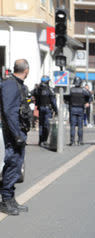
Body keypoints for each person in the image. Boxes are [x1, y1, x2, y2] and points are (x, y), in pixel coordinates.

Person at [0, 59, 31, 215]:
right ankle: (5, 200)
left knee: (16, 165)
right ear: (26, 70)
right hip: (14, 133)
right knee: (12, 164)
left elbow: (21, 106)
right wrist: (17, 135)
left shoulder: (19, 85)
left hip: (19, 131)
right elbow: (9, 112)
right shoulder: (11, 85)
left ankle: (11, 199)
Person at [31, 75, 58, 147]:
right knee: (46, 125)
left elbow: (31, 94)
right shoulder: (49, 89)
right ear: (47, 81)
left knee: (41, 125)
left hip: (40, 108)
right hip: (47, 109)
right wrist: (56, 110)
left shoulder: (37, 89)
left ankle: (41, 141)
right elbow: (53, 101)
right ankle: (44, 140)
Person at [68, 77, 91, 145]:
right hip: (80, 109)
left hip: (72, 108)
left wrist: (69, 103)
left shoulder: (71, 90)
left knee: (72, 126)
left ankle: (72, 141)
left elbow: (66, 97)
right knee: (80, 126)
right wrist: (87, 102)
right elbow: (89, 95)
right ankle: (80, 141)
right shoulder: (83, 90)